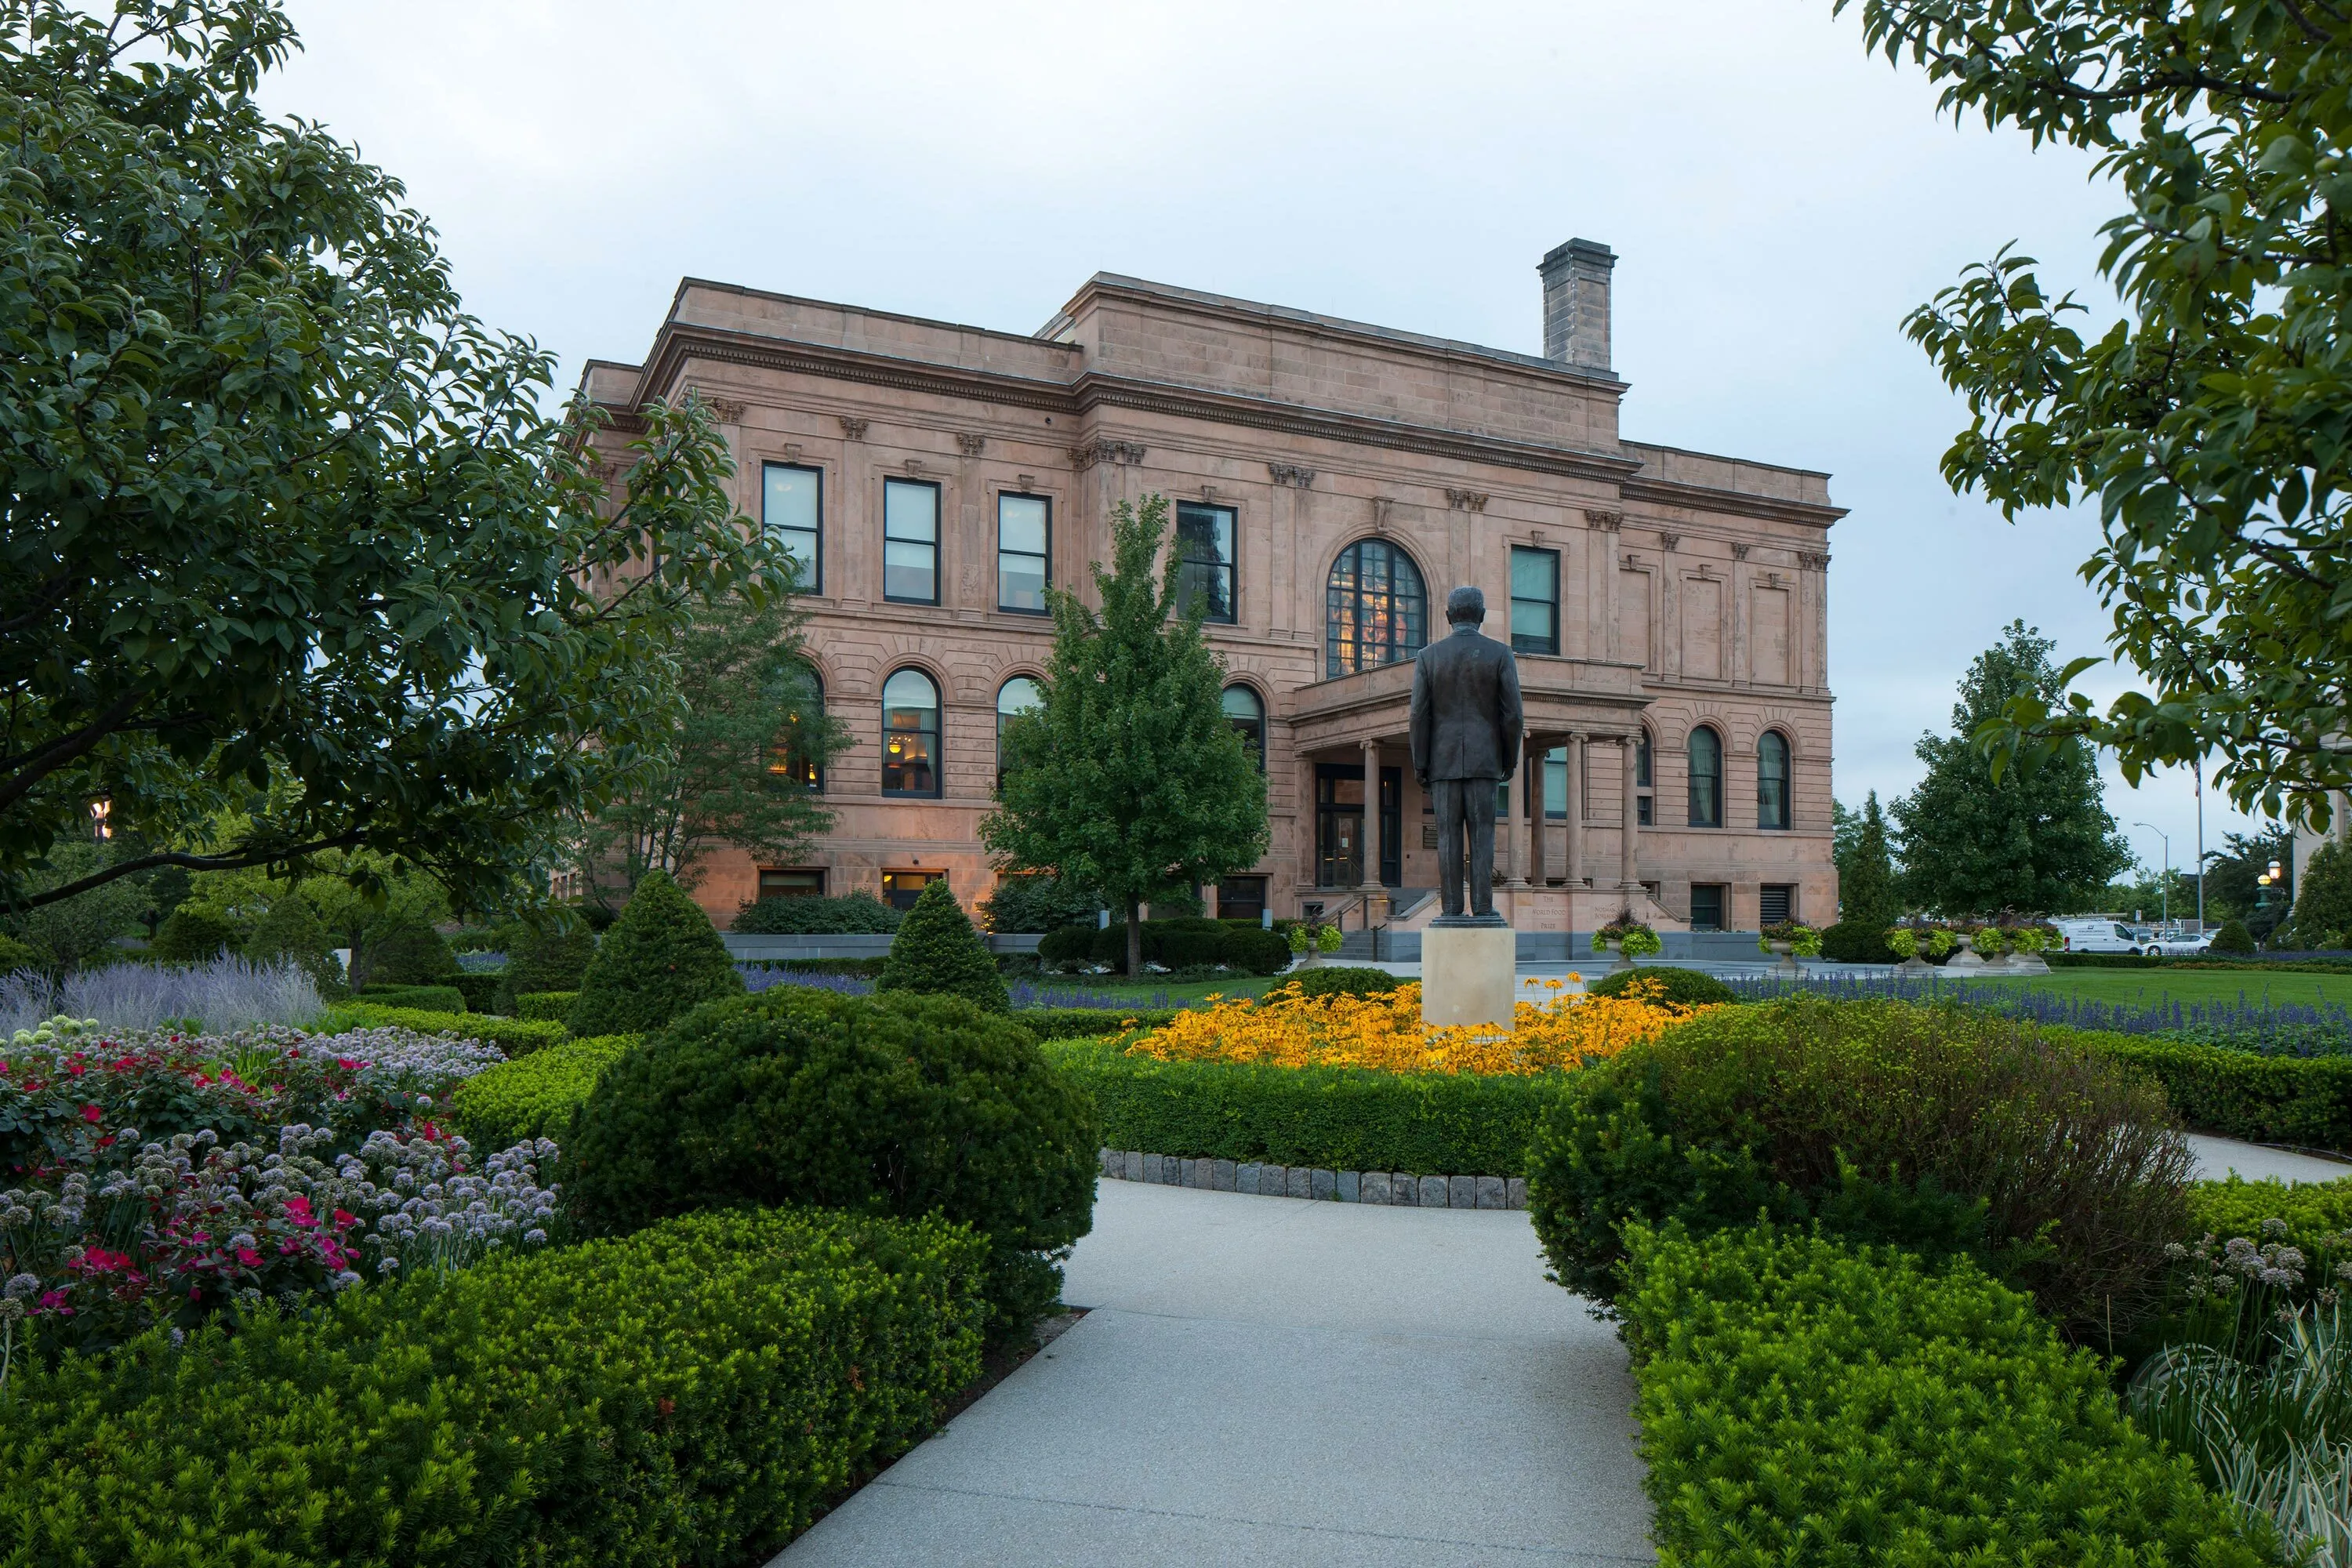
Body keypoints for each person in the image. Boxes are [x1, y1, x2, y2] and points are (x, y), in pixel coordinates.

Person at [1408, 585, 1523, 923]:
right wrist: (1509, 758)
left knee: (1447, 837)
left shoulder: (1429, 656)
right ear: (1482, 616)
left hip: (1442, 762)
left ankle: (1451, 910)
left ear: (1448, 616)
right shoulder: (1501, 654)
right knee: (1483, 834)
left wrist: (1421, 763)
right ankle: (1484, 908)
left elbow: (1417, 715)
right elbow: (1513, 715)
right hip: (1485, 760)